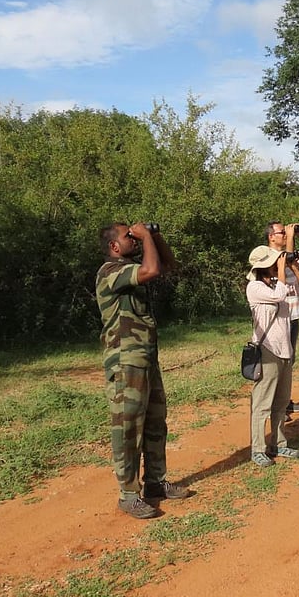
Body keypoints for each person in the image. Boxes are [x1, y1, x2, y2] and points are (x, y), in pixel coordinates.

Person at [96, 222, 191, 519]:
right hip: (125, 360)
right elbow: (150, 270)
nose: (134, 239)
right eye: (129, 237)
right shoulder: (109, 272)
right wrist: (146, 235)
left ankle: (156, 482)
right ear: (114, 246)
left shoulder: (130, 267)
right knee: (128, 430)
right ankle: (127, 494)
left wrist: (155, 235)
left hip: (146, 358)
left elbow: (166, 264)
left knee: (155, 423)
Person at [245, 245, 299, 466]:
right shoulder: (254, 287)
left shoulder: (275, 283)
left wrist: (291, 267)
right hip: (267, 350)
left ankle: (279, 443)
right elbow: (279, 295)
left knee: (280, 402)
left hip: (285, 349)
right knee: (262, 403)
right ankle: (258, 448)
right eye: (273, 262)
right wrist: (281, 268)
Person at [265, 220, 299, 418]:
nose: (285, 234)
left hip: (293, 315)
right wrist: (292, 237)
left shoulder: (288, 250)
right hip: (278, 317)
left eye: (286, 232)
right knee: (278, 361)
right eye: (282, 232)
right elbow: (287, 262)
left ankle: (285, 402)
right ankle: (274, 406)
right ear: (271, 236)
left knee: (289, 360)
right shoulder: (266, 255)